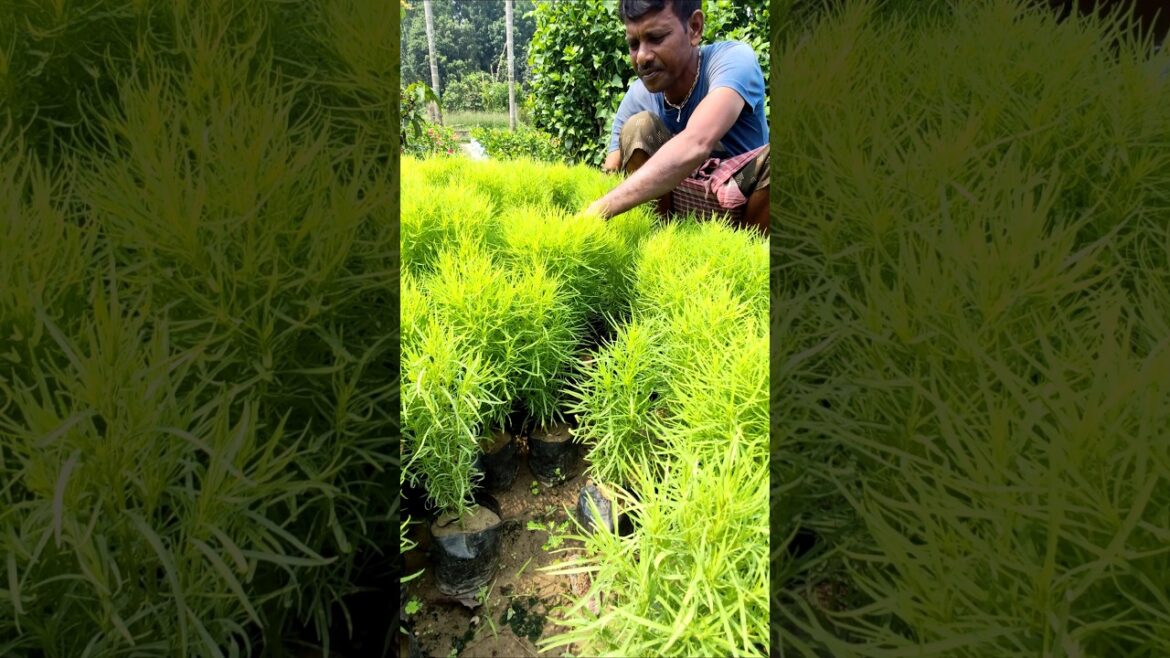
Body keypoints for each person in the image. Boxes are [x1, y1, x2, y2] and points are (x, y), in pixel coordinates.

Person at [583, 0, 770, 234]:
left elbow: (697, 142)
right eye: (633, 44)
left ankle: (754, 259)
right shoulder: (638, 96)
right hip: (674, 218)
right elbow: (611, 172)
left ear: (694, 28)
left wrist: (601, 209)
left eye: (656, 38)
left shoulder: (732, 61)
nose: (641, 57)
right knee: (638, 128)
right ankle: (658, 243)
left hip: (742, 214)